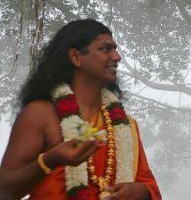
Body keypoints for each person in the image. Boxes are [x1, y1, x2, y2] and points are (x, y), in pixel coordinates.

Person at [0, 19, 161, 200]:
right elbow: (4, 190)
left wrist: (144, 193)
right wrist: (49, 161)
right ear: (76, 57)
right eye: (106, 49)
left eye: (115, 49)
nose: (117, 57)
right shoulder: (41, 114)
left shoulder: (126, 125)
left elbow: (148, 185)